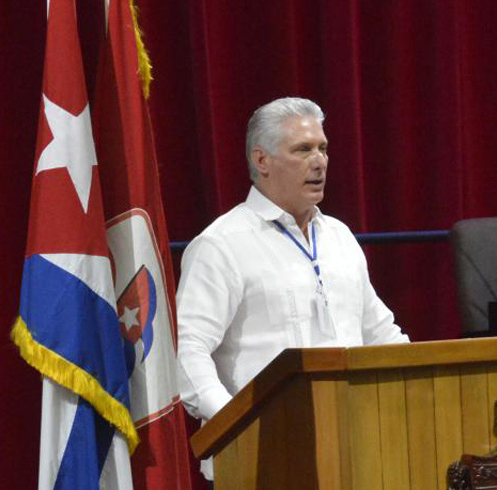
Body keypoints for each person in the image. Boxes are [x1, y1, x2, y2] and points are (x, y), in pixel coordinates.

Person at [175, 97, 409, 479]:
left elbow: (380, 333)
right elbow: (187, 350)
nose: (319, 161)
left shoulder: (339, 237)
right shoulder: (222, 244)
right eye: (303, 150)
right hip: (260, 458)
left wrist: (421, 390)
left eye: (323, 148)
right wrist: (234, 425)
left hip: (356, 448)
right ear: (261, 160)